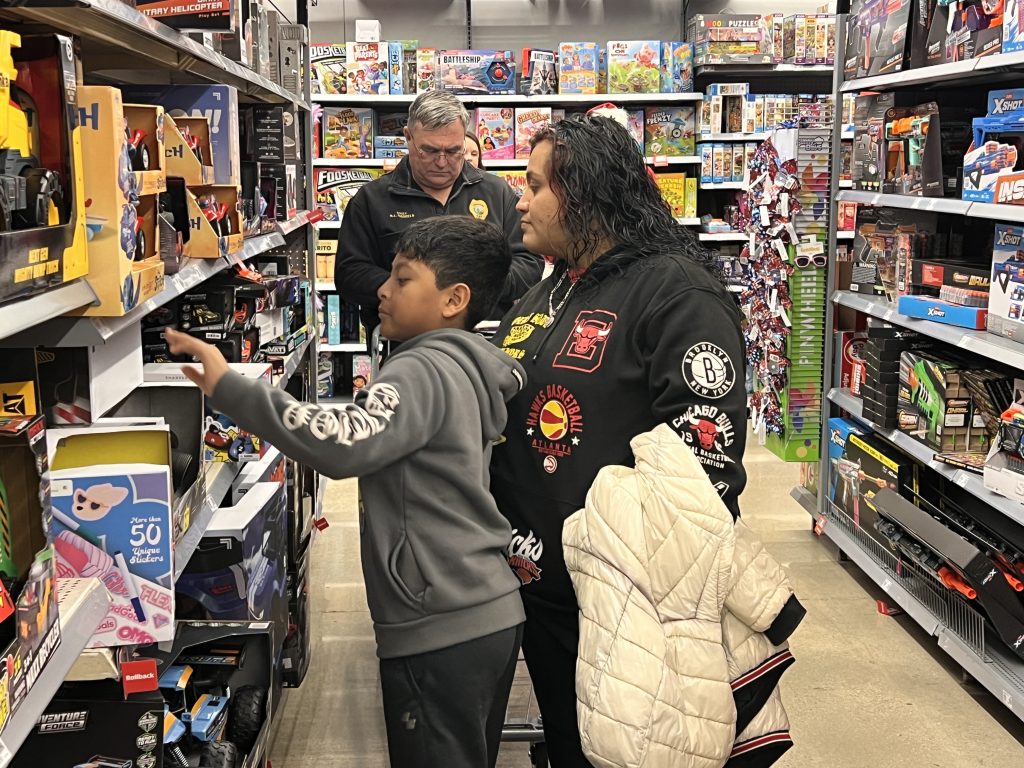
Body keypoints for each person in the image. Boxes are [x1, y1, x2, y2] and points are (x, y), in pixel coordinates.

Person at [166, 216, 527, 768]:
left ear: (454, 300)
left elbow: (343, 444)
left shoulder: (419, 370)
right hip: (485, 610)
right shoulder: (467, 366)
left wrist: (232, 389)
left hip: (438, 622)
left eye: (403, 280)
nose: (383, 289)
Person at [490, 115, 757, 767]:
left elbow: (705, 468)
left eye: (535, 186)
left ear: (583, 194)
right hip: (545, 592)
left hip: (623, 609)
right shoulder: (557, 283)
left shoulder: (678, 294)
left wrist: (629, 583)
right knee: (571, 740)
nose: (520, 201)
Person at [335, 90, 542, 334]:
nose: (442, 162)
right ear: (408, 137)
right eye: (430, 150)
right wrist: (414, 290)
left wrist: (481, 286)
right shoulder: (371, 199)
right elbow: (350, 273)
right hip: (404, 343)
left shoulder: (497, 192)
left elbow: (529, 262)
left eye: (454, 151)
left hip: (485, 339)